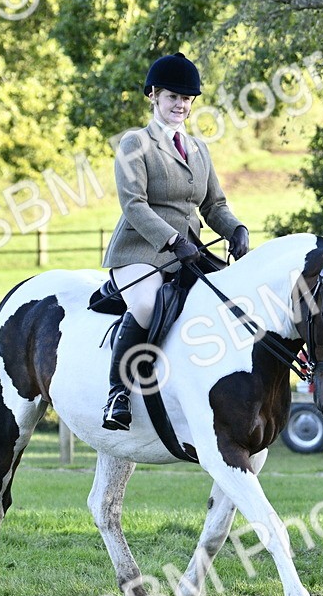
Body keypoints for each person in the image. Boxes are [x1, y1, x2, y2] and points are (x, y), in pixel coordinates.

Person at [99, 52, 250, 431]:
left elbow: (214, 204)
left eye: (186, 99)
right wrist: (170, 240)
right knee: (148, 304)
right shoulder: (135, 144)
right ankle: (117, 394)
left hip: (190, 253)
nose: (180, 105)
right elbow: (134, 204)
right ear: (153, 95)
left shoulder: (199, 149)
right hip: (141, 249)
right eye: (172, 97)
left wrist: (235, 229)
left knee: (231, 302)